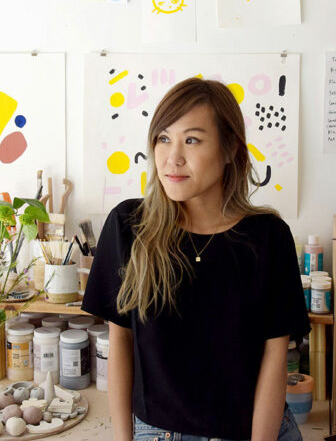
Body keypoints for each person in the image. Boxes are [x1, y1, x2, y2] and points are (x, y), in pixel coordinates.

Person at [81, 77, 310, 441]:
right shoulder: (129, 227)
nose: (173, 158)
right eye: (163, 138)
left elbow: (275, 358)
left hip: (255, 432)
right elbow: (119, 344)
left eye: (192, 139)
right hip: (156, 433)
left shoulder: (267, 238)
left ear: (231, 147)